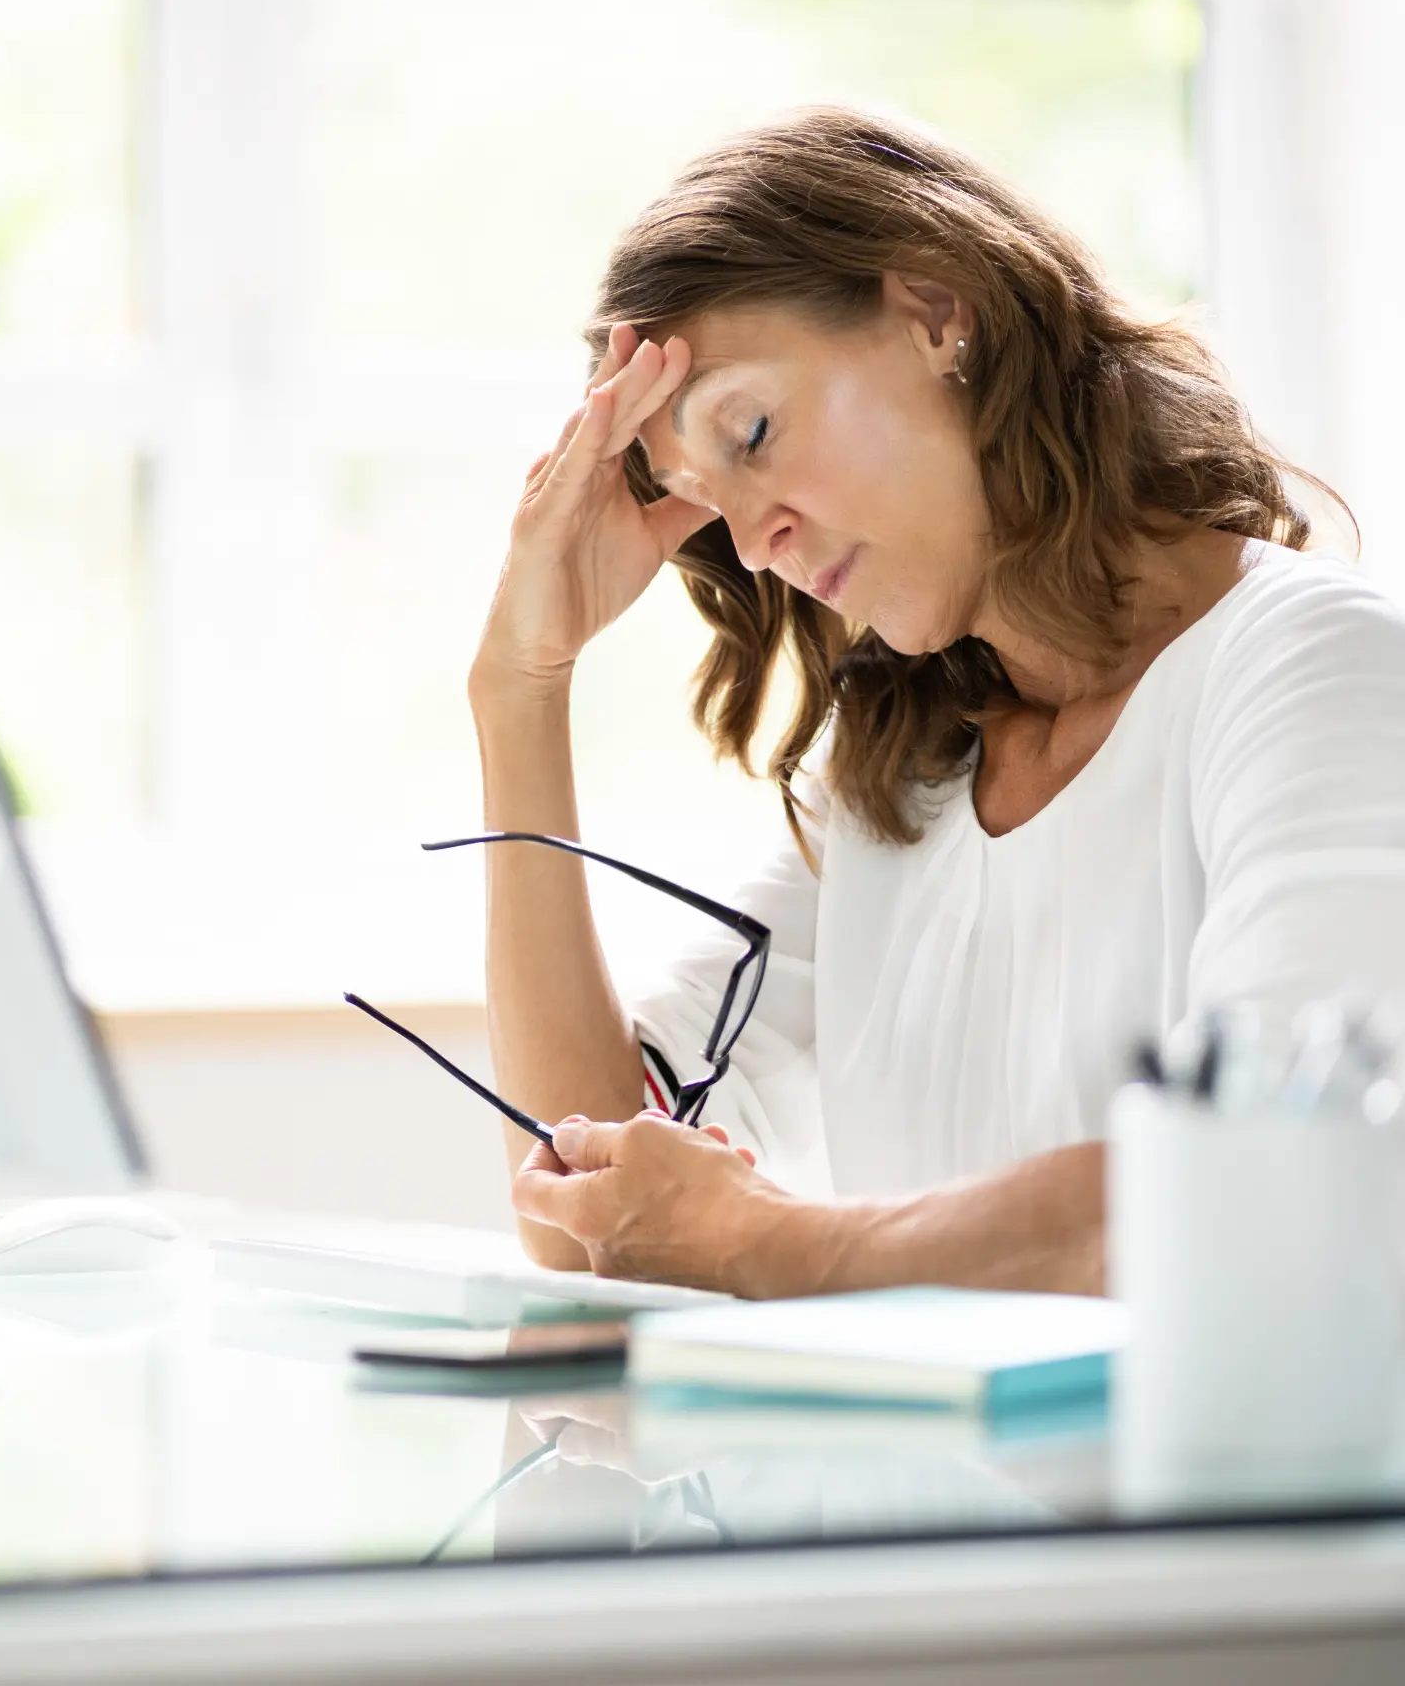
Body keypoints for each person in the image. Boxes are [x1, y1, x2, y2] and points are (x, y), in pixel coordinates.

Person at [470, 108, 1405, 1298]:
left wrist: (769, 1244)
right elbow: (581, 1223)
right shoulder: (895, 780)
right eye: (707, 501)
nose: (755, 545)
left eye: (751, 432)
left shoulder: (1312, 671)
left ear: (935, 312)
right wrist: (521, 690)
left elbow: (1274, 1192)